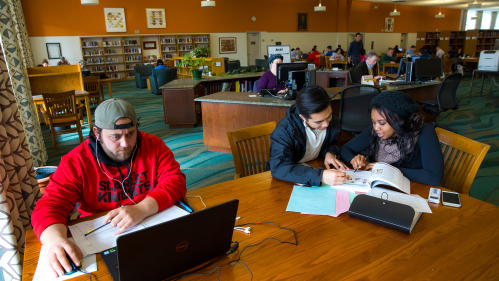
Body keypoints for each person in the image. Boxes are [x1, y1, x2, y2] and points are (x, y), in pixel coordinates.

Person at [31, 99, 187, 277]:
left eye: (131, 133)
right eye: (115, 136)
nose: (126, 143)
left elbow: (176, 180)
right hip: (100, 237)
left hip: (151, 224)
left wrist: (142, 208)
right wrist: (55, 241)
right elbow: (50, 206)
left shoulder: (153, 144)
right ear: (96, 132)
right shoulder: (75, 162)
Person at [340, 91, 444, 186]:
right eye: (373, 122)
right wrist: (352, 159)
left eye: (382, 123)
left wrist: (388, 170)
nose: (376, 128)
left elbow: (434, 177)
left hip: (414, 189)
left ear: (399, 120)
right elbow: (345, 148)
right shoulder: (376, 131)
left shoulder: (424, 132)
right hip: (384, 188)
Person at [268, 85, 347, 187]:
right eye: (319, 122)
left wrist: (329, 154)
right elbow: (279, 167)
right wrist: (321, 176)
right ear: (303, 117)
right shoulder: (285, 130)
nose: (326, 124)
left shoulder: (330, 120)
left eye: (329, 116)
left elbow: (331, 142)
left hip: (312, 168)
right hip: (286, 181)